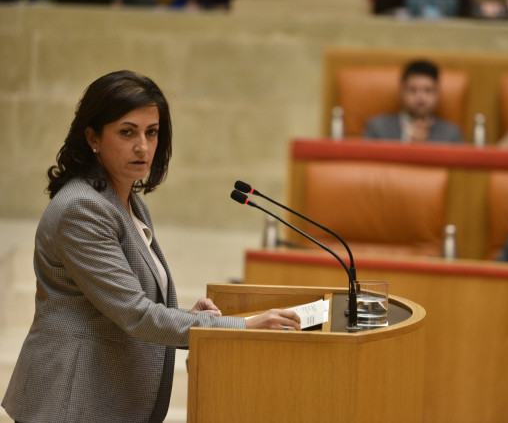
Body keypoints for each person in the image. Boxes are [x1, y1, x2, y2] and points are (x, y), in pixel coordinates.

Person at [2, 70, 301, 423]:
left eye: (152, 132)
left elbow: (128, 304)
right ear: (93, 137)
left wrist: (192, 319)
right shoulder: (82, 209)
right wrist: (244, 326)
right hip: (70, 401)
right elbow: (137, 314)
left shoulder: (127, 201)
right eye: (127, 132)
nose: (143, 147)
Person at [364, 59, 464, 144]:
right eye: (413, 90)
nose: (420, 98)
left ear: (437, 95)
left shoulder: (451, 135)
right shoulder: (378, 129)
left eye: (428, 90)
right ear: (401, 93)